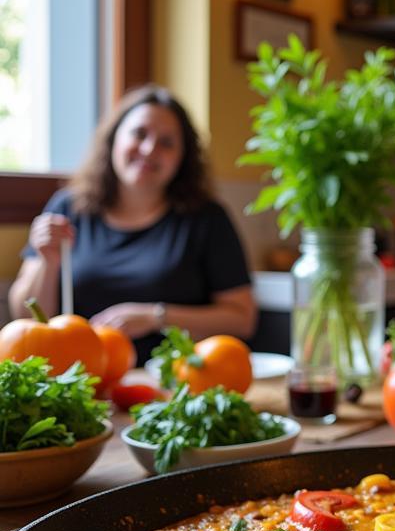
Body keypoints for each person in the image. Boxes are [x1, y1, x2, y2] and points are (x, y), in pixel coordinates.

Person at [9, 84, 257, 362]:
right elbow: (24, 317)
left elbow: (241, 319)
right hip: (83, 382)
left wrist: (156, 316)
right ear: (114, 140)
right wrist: (48, 262)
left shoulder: (207, 219)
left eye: (167, 142)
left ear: (183, 157)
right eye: (139, 134)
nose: (150, 149)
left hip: (174, 383)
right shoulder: (67, 208)